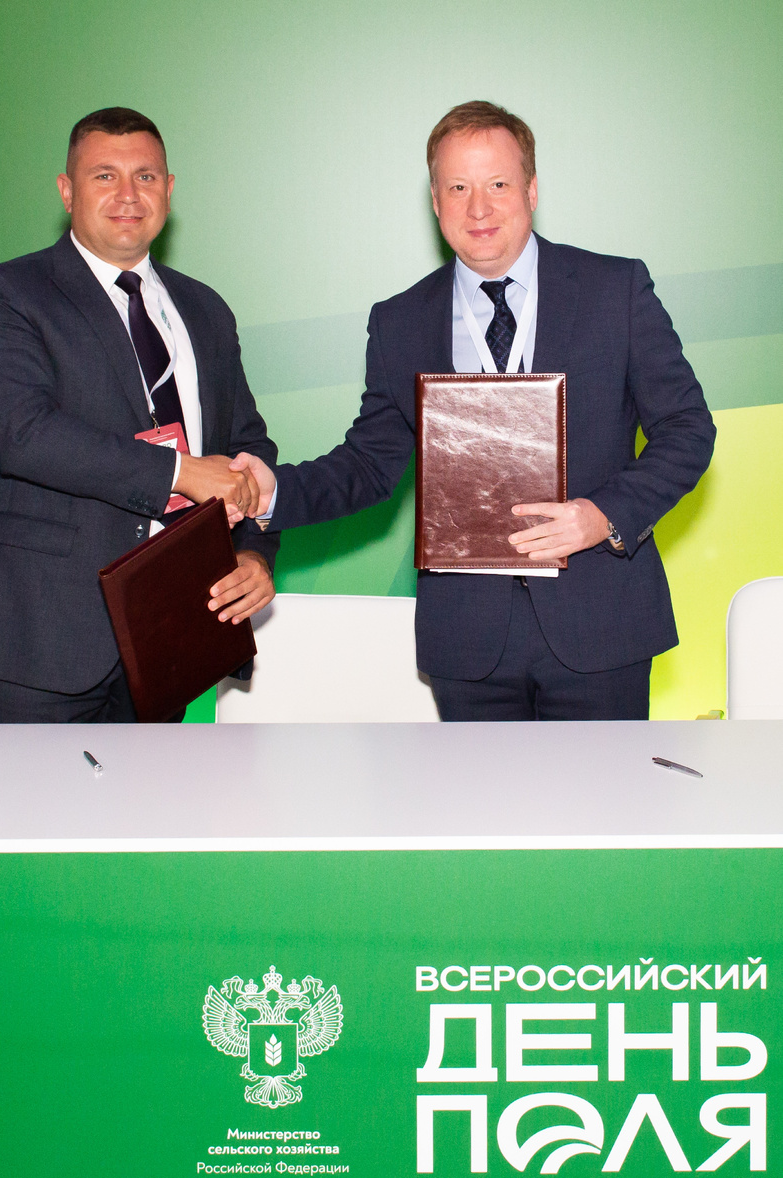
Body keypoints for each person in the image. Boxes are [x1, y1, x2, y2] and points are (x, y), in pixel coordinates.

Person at [231, 101, 715, 721]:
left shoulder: (614, 290)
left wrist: (602, 517)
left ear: (532, 190)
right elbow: (369, 464)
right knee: (476, 791)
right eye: (458, 187)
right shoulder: (400, 321)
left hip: (600, 627)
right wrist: (273, 491)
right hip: (468, 641)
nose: (478, 208)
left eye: (498, 185)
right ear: (435, 201)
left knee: (604, 791)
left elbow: (687, 430)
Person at [0, 108, 278, 722]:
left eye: (146, 176)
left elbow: (248, 448)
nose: (128, 195)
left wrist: (252, 552)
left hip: (170, 626)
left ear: (169, 189)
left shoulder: (204, 308)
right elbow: (23, 435)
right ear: (66, 191)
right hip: (44, 631)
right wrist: (181, 472)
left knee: (158, 789)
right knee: (37, 790)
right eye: (104, 176)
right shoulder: (5, 294)